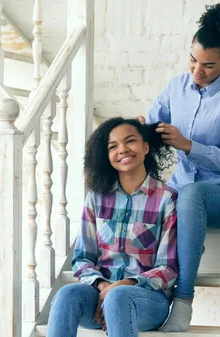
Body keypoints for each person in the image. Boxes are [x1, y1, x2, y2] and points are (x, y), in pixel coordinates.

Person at [137, 3, 220, 332]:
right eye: (193, 60)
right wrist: (140, 129)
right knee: (148, 200)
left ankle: (183, 301)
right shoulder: (175, 88)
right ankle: (140, 294)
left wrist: (187, 144)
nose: (197, 71)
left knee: (190, 197)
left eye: (208, 65)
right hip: (183, 189)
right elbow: (154, 126)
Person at [46, 118, 178, 337]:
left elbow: (169, 267)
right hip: (100, 296)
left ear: (146, 147)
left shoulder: (167, 199)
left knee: (119, 297)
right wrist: (102, 286)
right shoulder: (96, 198)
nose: (122, 149)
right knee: (67, 294)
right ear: (106, 156)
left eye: (130, 141)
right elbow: (82, 259)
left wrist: (122, 285)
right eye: (113, 146)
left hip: (147, 300)